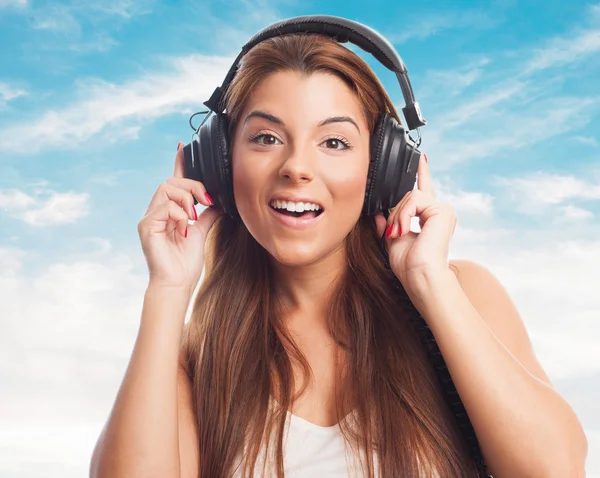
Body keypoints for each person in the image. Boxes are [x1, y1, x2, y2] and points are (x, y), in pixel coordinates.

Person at [89, 31, 588, 478]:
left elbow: (554, 470)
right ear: (218, 162)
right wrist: (168, 291)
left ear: (383, 168)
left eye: (334, 141)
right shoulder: (194, 362)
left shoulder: (462, 295)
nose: (297, 168)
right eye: (266, 138)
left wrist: (430, 285)